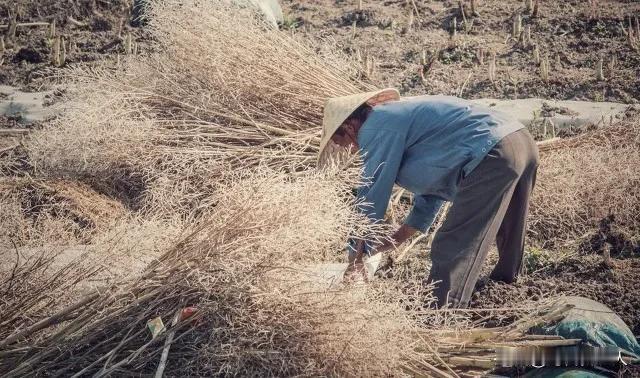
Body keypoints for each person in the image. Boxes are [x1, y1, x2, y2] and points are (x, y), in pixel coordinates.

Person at [318, 88, 539, 308]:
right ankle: (507, 291)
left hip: (492, 152)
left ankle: (440, 312)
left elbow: (372, 191)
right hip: (520, 141)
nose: (350, 149)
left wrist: (355, 257)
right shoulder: (398, 119)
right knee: (510, 227)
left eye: (342, 142)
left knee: (451, 242)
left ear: (349, 126)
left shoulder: (375, 126)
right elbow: (434, 185)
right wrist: (400, 236)